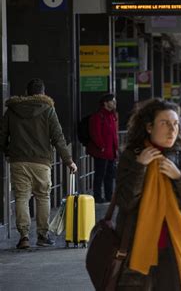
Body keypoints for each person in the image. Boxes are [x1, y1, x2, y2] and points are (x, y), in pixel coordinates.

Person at [115, 98, 181, 290]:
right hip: (137, 249)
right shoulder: (132, 157)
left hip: (175, 248)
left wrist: (180, 177)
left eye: (175, 124)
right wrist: (140, 167)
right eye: (165, 123)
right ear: (149, 127)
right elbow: (125, 202)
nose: (172, 130)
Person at [0, 78, 77, 249]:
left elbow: (2, 134)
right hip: (41, 162)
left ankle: (24, 236)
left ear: (26, 93)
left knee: (21, 197)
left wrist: (7, 152)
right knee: (43, 196)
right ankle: (42, 235)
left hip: (18, 161)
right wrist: (68, 161)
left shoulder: (12, 110)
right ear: (43, 93)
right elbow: (58, 137)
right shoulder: (48, 110)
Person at [87, 93, 118, 203]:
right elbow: (95, 133)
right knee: (100, 175)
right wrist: (102, 146)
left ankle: (109, 196)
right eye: (112, 101)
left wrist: (116, 148)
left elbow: (114, 134)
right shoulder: (98, 116)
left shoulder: (112, 116)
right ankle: (98, 196)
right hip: (102, 152)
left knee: (110, 176)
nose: (114, 103)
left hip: (111, 152)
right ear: (105, 103)